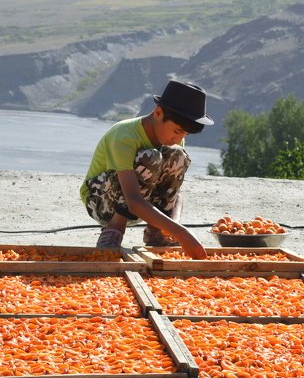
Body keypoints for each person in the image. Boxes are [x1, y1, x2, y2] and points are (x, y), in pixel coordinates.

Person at [80, 80, 212, 259]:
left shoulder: (174, 141)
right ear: (158, 113)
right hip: (102, 203)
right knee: (151, 157)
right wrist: (181, 233)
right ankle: (114, 229)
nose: (178, 137)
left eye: (184, 134)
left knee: (177, 155)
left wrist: (173, 226)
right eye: (177, 131)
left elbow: (176, 193)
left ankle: (155, 233)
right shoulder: (125, 135)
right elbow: (133, 200)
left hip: (142, 207)